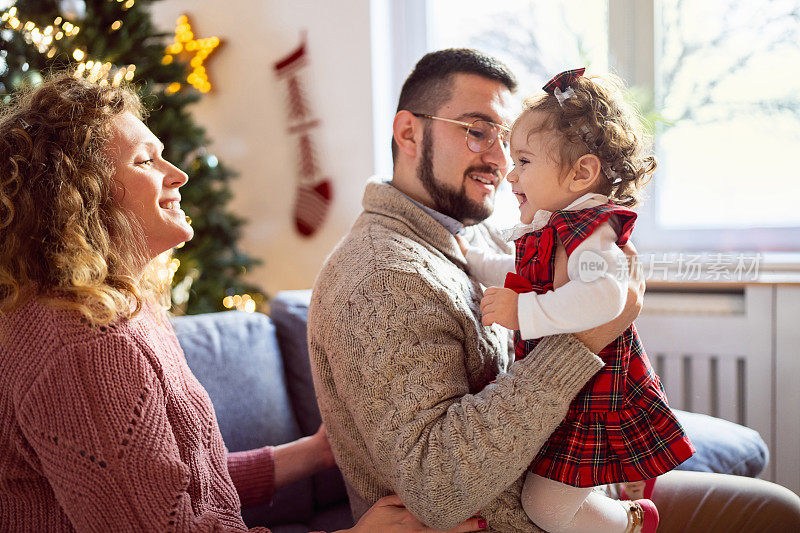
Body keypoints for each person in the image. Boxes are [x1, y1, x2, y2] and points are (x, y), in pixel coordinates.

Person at [307, 48, 800, 532]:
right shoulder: (380, 277)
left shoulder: (464, 236)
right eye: (478, 132)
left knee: (776, 509)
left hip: (569, 491)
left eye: (509, 143)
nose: (501, 162)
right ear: (409, 132)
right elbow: (438, 487)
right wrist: (585, 339)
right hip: (530, 517)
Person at [0, 73, 486, 533]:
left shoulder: (122, 306)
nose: (179, 175)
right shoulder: (83, 344)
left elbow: (176, 485)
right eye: (146, 161)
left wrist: (317, 451)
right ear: (77, 194)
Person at [459, 67, 694, 533]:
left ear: (582, 173)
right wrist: (472, 258)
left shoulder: (591, 232)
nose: (509, 174)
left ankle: (632, 523)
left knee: (544, 506)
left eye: (523, 161)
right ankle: (623, 495)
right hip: (568, 391)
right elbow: (523, 273)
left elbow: (608, 296)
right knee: (553, 487)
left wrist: (523, 312)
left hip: (594, 395)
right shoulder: (555, 230)